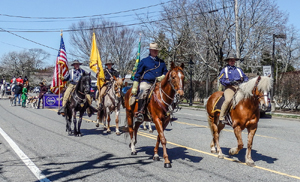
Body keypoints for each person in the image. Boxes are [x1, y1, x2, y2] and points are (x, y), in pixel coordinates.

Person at [132, 42, 168, 121]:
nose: (155, 52)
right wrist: (135, 86)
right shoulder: (144, 61)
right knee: (143, 91)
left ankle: (168, 112)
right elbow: (138, 74)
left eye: (156, 50)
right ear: (150, 50)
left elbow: (166, 72)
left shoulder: (161, 62)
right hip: (147, 82)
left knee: (168, 93)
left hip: (158, 83)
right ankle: (140, 112)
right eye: (154, 50)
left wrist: (162, 76)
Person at [218, 53, 249, 124]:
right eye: (231, 60)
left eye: (233, 60)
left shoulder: (239, 70)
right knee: (228, 100)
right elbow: (221, 80)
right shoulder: (224, 70)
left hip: (240, 87)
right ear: (228, 61)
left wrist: (245, 81)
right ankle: (221, 117)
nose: (232, 61)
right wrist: (230, 82)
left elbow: (245, 77)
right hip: (230, 87)